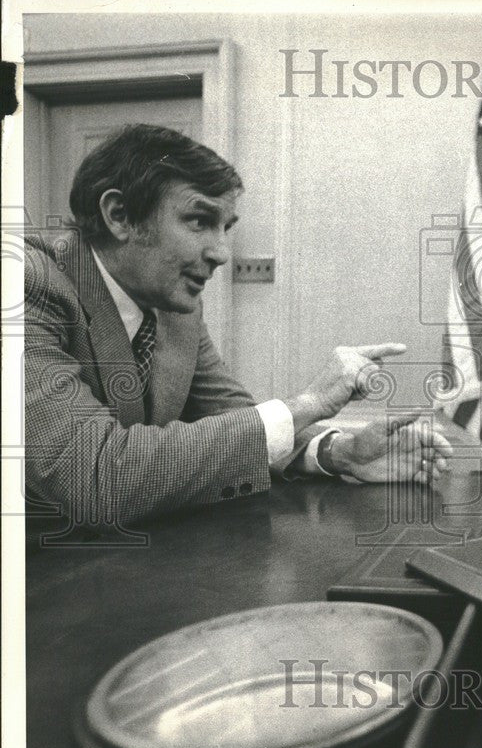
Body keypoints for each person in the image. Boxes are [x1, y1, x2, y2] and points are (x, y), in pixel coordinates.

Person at [24, 124, 452, 528]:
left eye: (225, 228)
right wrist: (308, 402)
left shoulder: (177, 307)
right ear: (120, 215)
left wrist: (340, 452)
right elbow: (93, 477)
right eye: (199, 220)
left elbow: (236, 424)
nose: (222, 253)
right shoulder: (23, 284)